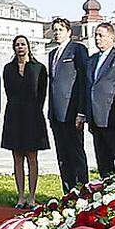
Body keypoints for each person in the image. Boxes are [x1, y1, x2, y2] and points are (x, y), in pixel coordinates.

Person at [0, 35, 49, 209]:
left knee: (32, 157)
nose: (20, 47)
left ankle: (32, 196)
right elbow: (8, 91)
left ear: (28, 47)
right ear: (14, 48)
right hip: (14, 115)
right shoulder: (8, 68)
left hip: (33, 116)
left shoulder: (39, 68)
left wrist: (34, 110)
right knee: (17, 157)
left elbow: (42, 93)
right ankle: (20, 197)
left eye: (23, 44)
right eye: (17, 45)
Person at [85, 22, 115, 177]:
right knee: (103, 162)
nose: (97, 39)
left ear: (111, 37)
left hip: (113, 116)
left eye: (101, 35)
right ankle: (105, 192)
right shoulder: (92, 60)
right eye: (96, 36)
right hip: (95, 117)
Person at [45, 17, 89, 193]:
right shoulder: (52, 54)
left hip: (72, 112)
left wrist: (81, 111)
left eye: (60, 30)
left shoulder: (77, 50)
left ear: (69, 32)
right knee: (62, 155)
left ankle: (82, 188)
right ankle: (67, 190)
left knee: (76, 152)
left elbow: (83, 81)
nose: (57, 33)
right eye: (54, 30)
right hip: (56, 113)